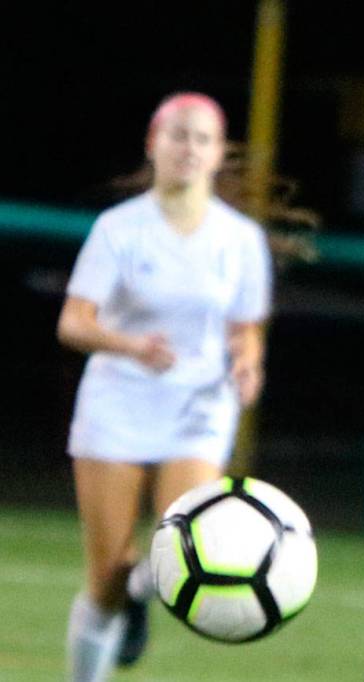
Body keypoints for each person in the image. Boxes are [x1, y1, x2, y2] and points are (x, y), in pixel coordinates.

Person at [57, 92, 272, 682]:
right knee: (103, 579)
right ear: (153, 144)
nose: (189, 148)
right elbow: (73, 323)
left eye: (203, 139)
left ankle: (140, 590)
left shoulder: (241, 239)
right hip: (117, 402)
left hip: (198, 407)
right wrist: (130, 346)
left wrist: (248, 361)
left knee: (184, 545)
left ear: (218, 154)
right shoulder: (118, 229)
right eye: (178, 135)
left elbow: (246, 328)